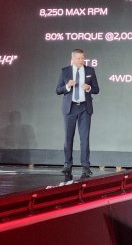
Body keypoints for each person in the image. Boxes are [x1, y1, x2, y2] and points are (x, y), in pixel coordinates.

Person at [55, 48, 100, 177]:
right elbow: (58, 90)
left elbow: (97, 89)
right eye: (79, 58)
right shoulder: (65, 71)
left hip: (85, 108)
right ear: (73, 59)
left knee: (84, 138)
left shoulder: (90, 70)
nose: (81, 60)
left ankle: (85, 166)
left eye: (82, 58)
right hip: (70, 108)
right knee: (68, 138)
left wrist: (89, 88)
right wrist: (68, 86)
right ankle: (67, 165)